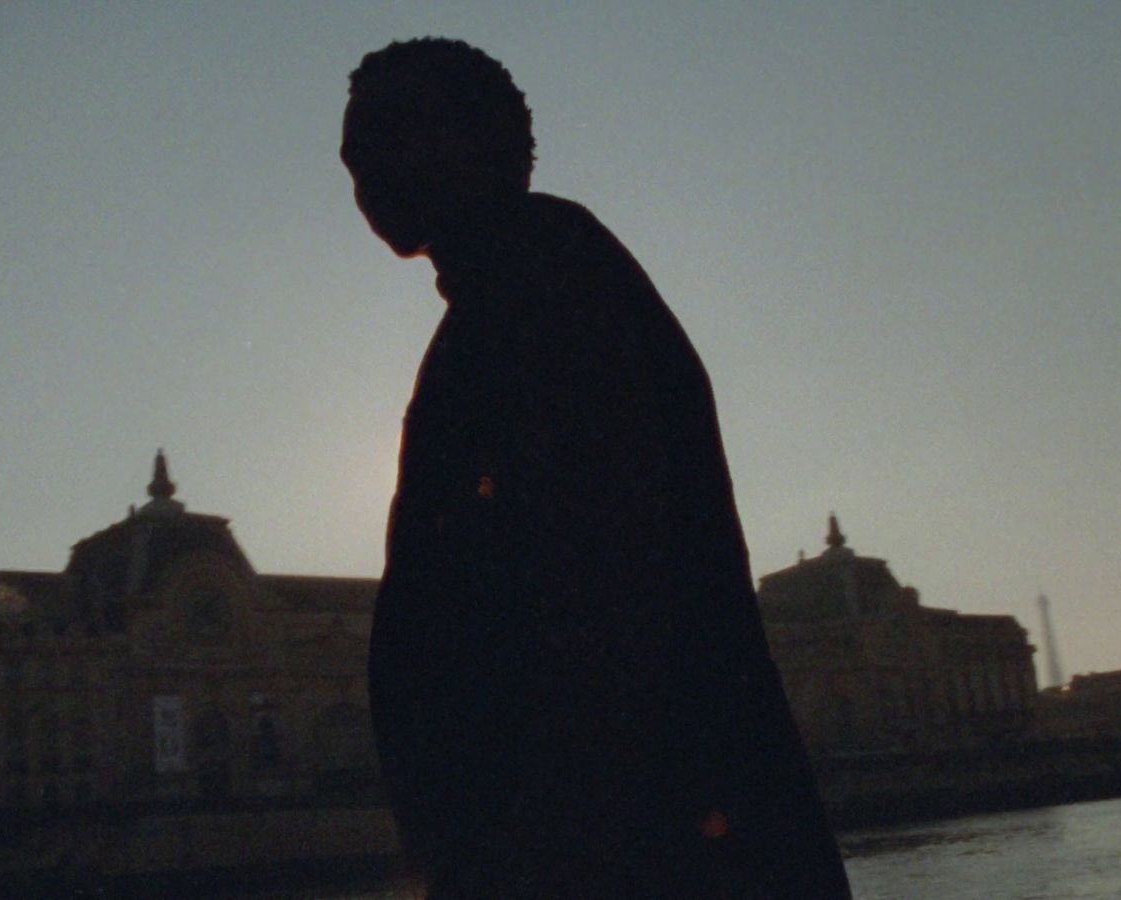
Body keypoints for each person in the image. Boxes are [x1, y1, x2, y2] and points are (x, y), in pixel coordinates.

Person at [342, 38, 852, 899]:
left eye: (386, 140)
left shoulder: (545, 297)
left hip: (623, 853)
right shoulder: (537, 287)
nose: (362, 176)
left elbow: (606, 610)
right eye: (354, 157)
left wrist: (528, 859)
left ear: (473, 140)